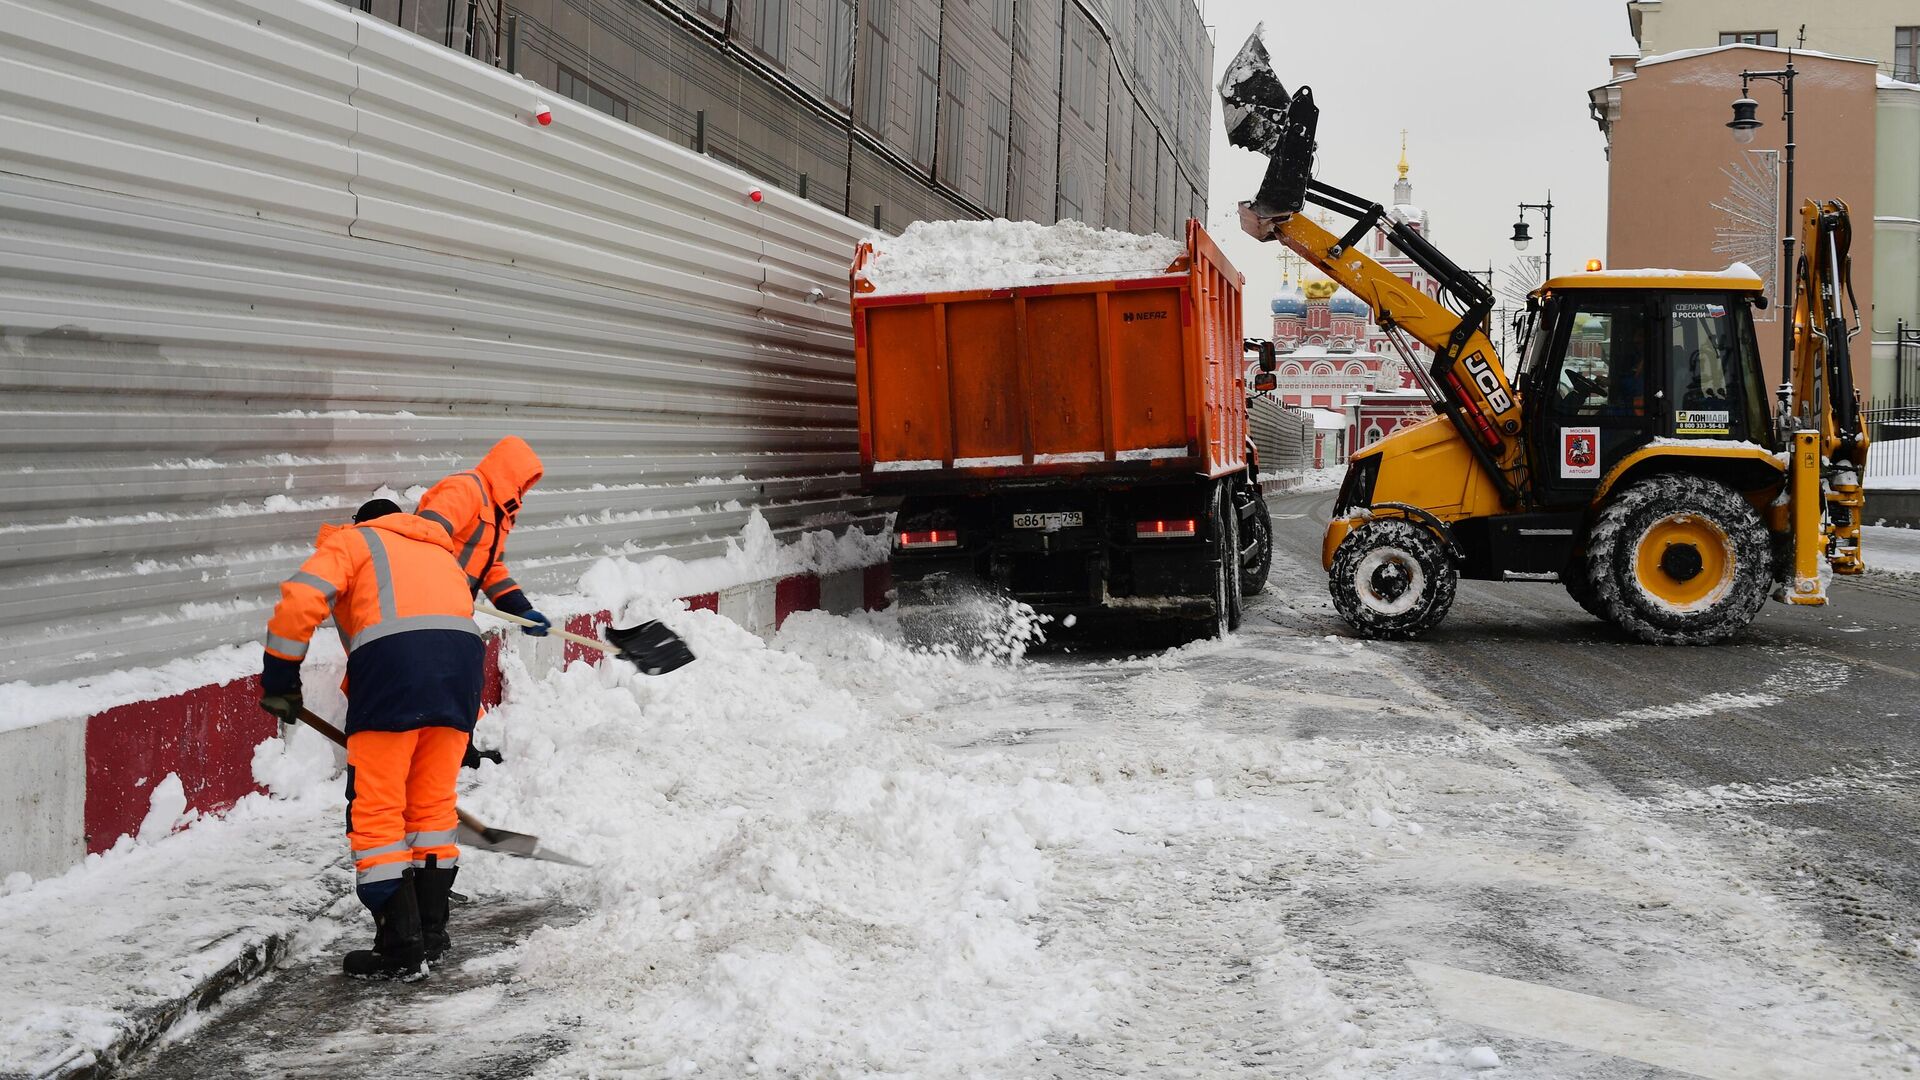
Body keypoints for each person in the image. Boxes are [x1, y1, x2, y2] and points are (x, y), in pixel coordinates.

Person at [258, 497, 483, 979]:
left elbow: (301, 598)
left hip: (394, 676)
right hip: (460, 678)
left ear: (362, 524)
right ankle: (431, 932)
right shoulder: (440, 551)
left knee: (377, 810)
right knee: (431, 807)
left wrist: (280, 679)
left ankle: (400, 948)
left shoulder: (352, 541)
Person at [416, 436, 550, 636]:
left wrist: (521, 610)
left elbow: (491, 568)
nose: (523, 490)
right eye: (524, 482)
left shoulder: (500, 513)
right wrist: (442, 590)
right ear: (511, 474)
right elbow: (421, 538)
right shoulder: (465, 489)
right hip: (422, 605)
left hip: (453, 612)